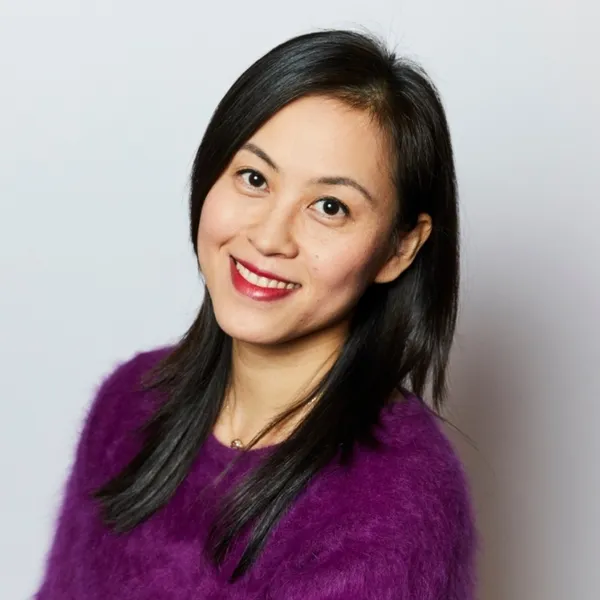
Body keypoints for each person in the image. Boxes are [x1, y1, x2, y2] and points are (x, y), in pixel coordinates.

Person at [35, 28, 476, 599]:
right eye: (254, 178)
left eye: (330, 206)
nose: (269, 238)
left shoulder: (396, 500)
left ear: (400, 248)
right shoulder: (129, 403)